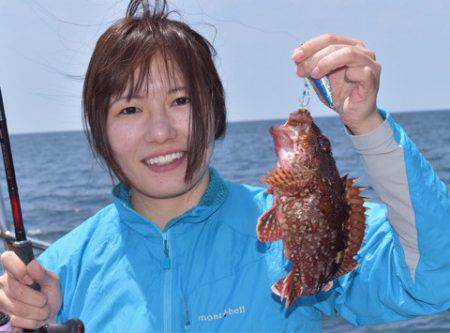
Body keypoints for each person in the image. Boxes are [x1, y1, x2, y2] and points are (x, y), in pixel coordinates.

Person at [1, 0, 449, 331]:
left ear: (215, 111)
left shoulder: (289, 238)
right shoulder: (60, 273)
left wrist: (368, 127)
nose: (160, 133)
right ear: (99, 131)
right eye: (129, 110)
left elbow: (434, 276)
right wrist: (27, 319)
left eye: (180, 101)